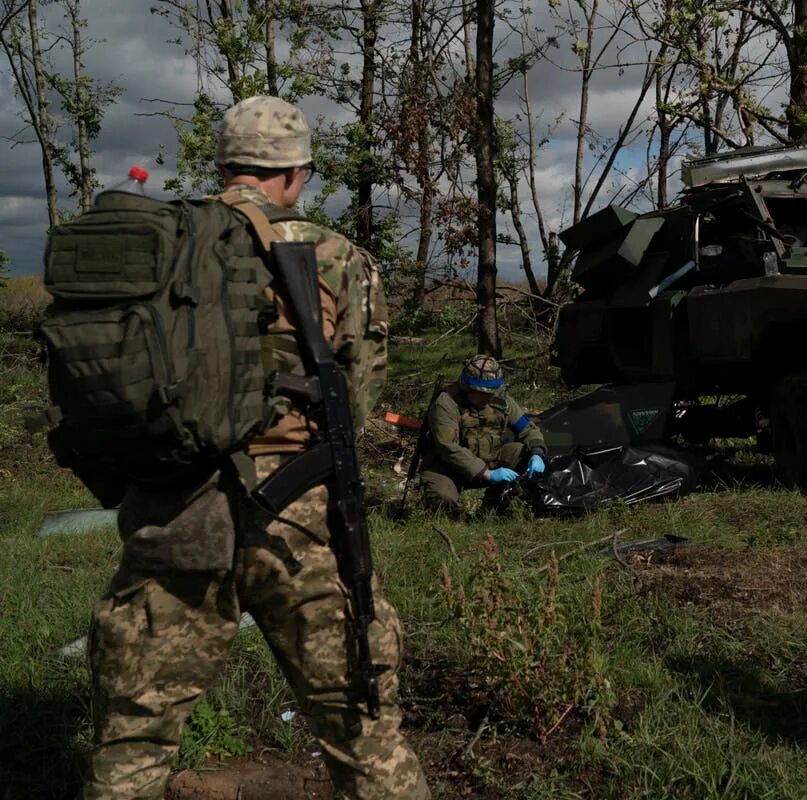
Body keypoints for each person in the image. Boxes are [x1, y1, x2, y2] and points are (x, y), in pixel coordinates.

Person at [82, 96, 429, 800]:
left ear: (223, 165)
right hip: (296, 519)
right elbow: (357, 403)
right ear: (298, 174)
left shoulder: (163, 246)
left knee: (135, 734)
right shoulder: (335, 257)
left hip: (174, 507)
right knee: (364, 735)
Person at [420, 354, 547, 514]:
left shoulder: (501, 400)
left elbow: (527, 428)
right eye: (481, 392)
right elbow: (448, 447)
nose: (488, 397)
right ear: (467, 387)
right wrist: (486, 473)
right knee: (442, 501)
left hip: (491, 459)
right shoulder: (446, 403)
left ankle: (494, 505)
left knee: (522, 452)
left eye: (491, 392)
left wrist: (537, 453)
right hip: (449, 467)